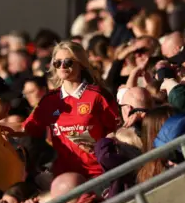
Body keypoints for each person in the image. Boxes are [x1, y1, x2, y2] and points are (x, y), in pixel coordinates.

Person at [23, 41, 119, 178]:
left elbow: (117, 131)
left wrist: (99, 146)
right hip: (65, 176)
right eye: (57, 63)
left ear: (80, 64)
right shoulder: (49, 100)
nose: (62, 66)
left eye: (68, 62)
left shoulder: (98, 95)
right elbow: (28, 128)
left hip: (98, 173)